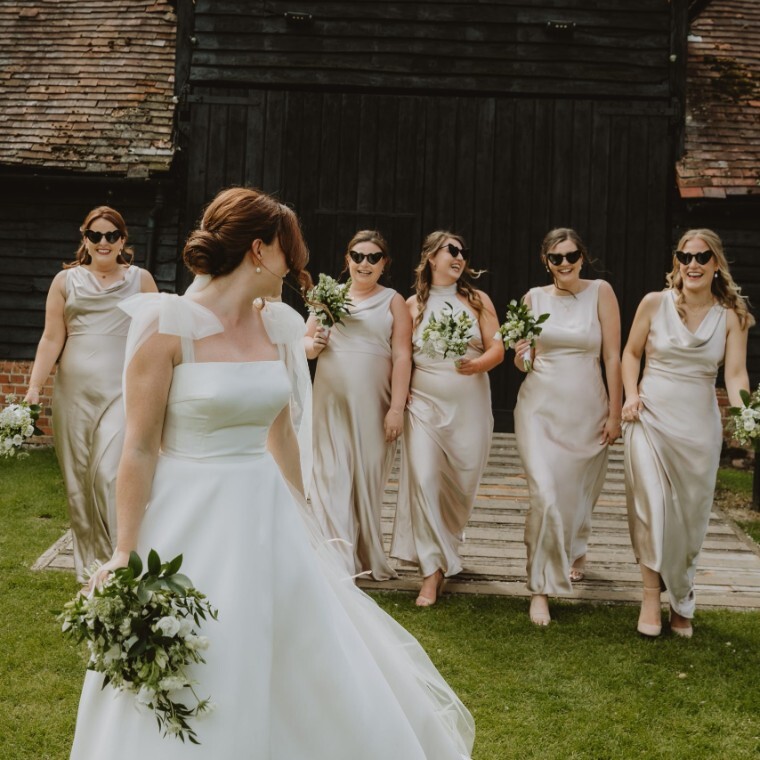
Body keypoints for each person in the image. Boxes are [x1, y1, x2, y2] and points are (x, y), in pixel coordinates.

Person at [69, 188, 474, 759]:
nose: (298, 267)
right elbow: (137, 449)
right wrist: (124, 552)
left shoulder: (276, 324)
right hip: (190, 514)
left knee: (298, 650)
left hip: (265, 512)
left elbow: (281, 433)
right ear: (259, 251)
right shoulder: (167, 325)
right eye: (291, 253)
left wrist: (306, 518)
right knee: (202, 651)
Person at [622, 228, 751, 638]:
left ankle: (682, 597)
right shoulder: (653, 303)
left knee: (688, 521)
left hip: (698, 428)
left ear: (716, 265)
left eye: (701, 257)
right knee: (652, 507)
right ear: (677, 261)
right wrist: (630, 395)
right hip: (651, 418)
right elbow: (631, 353)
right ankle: (648, 597)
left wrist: (749, 414)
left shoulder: (732, 316)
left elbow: (734, 374)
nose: (692, 264)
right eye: (684, 256)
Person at [24, 206, 157, 581]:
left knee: (111, 475)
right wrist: (34, 387)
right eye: (95, 235)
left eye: (111, 235)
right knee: (79, 482)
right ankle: (91, 572)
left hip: (122, 389)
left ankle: (123, 560)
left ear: (123, 240)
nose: (103, 242)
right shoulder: (65, 282)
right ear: (84, 238)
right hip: (73, 394)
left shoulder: (141, 280)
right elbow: (52, 337)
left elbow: (157, 338)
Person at [512, 228, 622, 626]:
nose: (564, 264)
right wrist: (521, 356)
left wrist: (615, 410)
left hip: (587, 407)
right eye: (555, 258)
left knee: (576, 492)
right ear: (546, 262)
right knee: (544, 492)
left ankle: (575, 547)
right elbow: (523, 362)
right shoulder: (533, 298)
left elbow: (612, 356)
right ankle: (539, 587)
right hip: (538, 409)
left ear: (582, 256)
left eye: (570, 255)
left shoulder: (601, 292)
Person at [391, 231, 504, 606]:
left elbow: (498, 348)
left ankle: (447, 543)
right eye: (451, 250)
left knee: (461, 484)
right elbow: (401, 355)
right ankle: (431, 571)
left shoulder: (477, 300)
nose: (459, 257)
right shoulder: (411, 306)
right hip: (423, 405)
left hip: (469, 406)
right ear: (431, 257)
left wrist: (478, 364)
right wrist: (400, 392)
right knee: (423, 480)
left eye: (463, 252)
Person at [305, 230, 412, 580]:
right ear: (347, 259)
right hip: (330, 397)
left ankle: (363, 551)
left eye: (373, 257)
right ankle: (335, 561)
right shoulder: (328, 295)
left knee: (366, 478)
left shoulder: (394, 300)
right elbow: (305, 345)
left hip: (374, 400)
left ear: (385, 264)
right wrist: (315, 345)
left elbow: (402, 354)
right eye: (358, 256)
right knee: (330, 475)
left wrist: (396, 408)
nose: (364, 263)